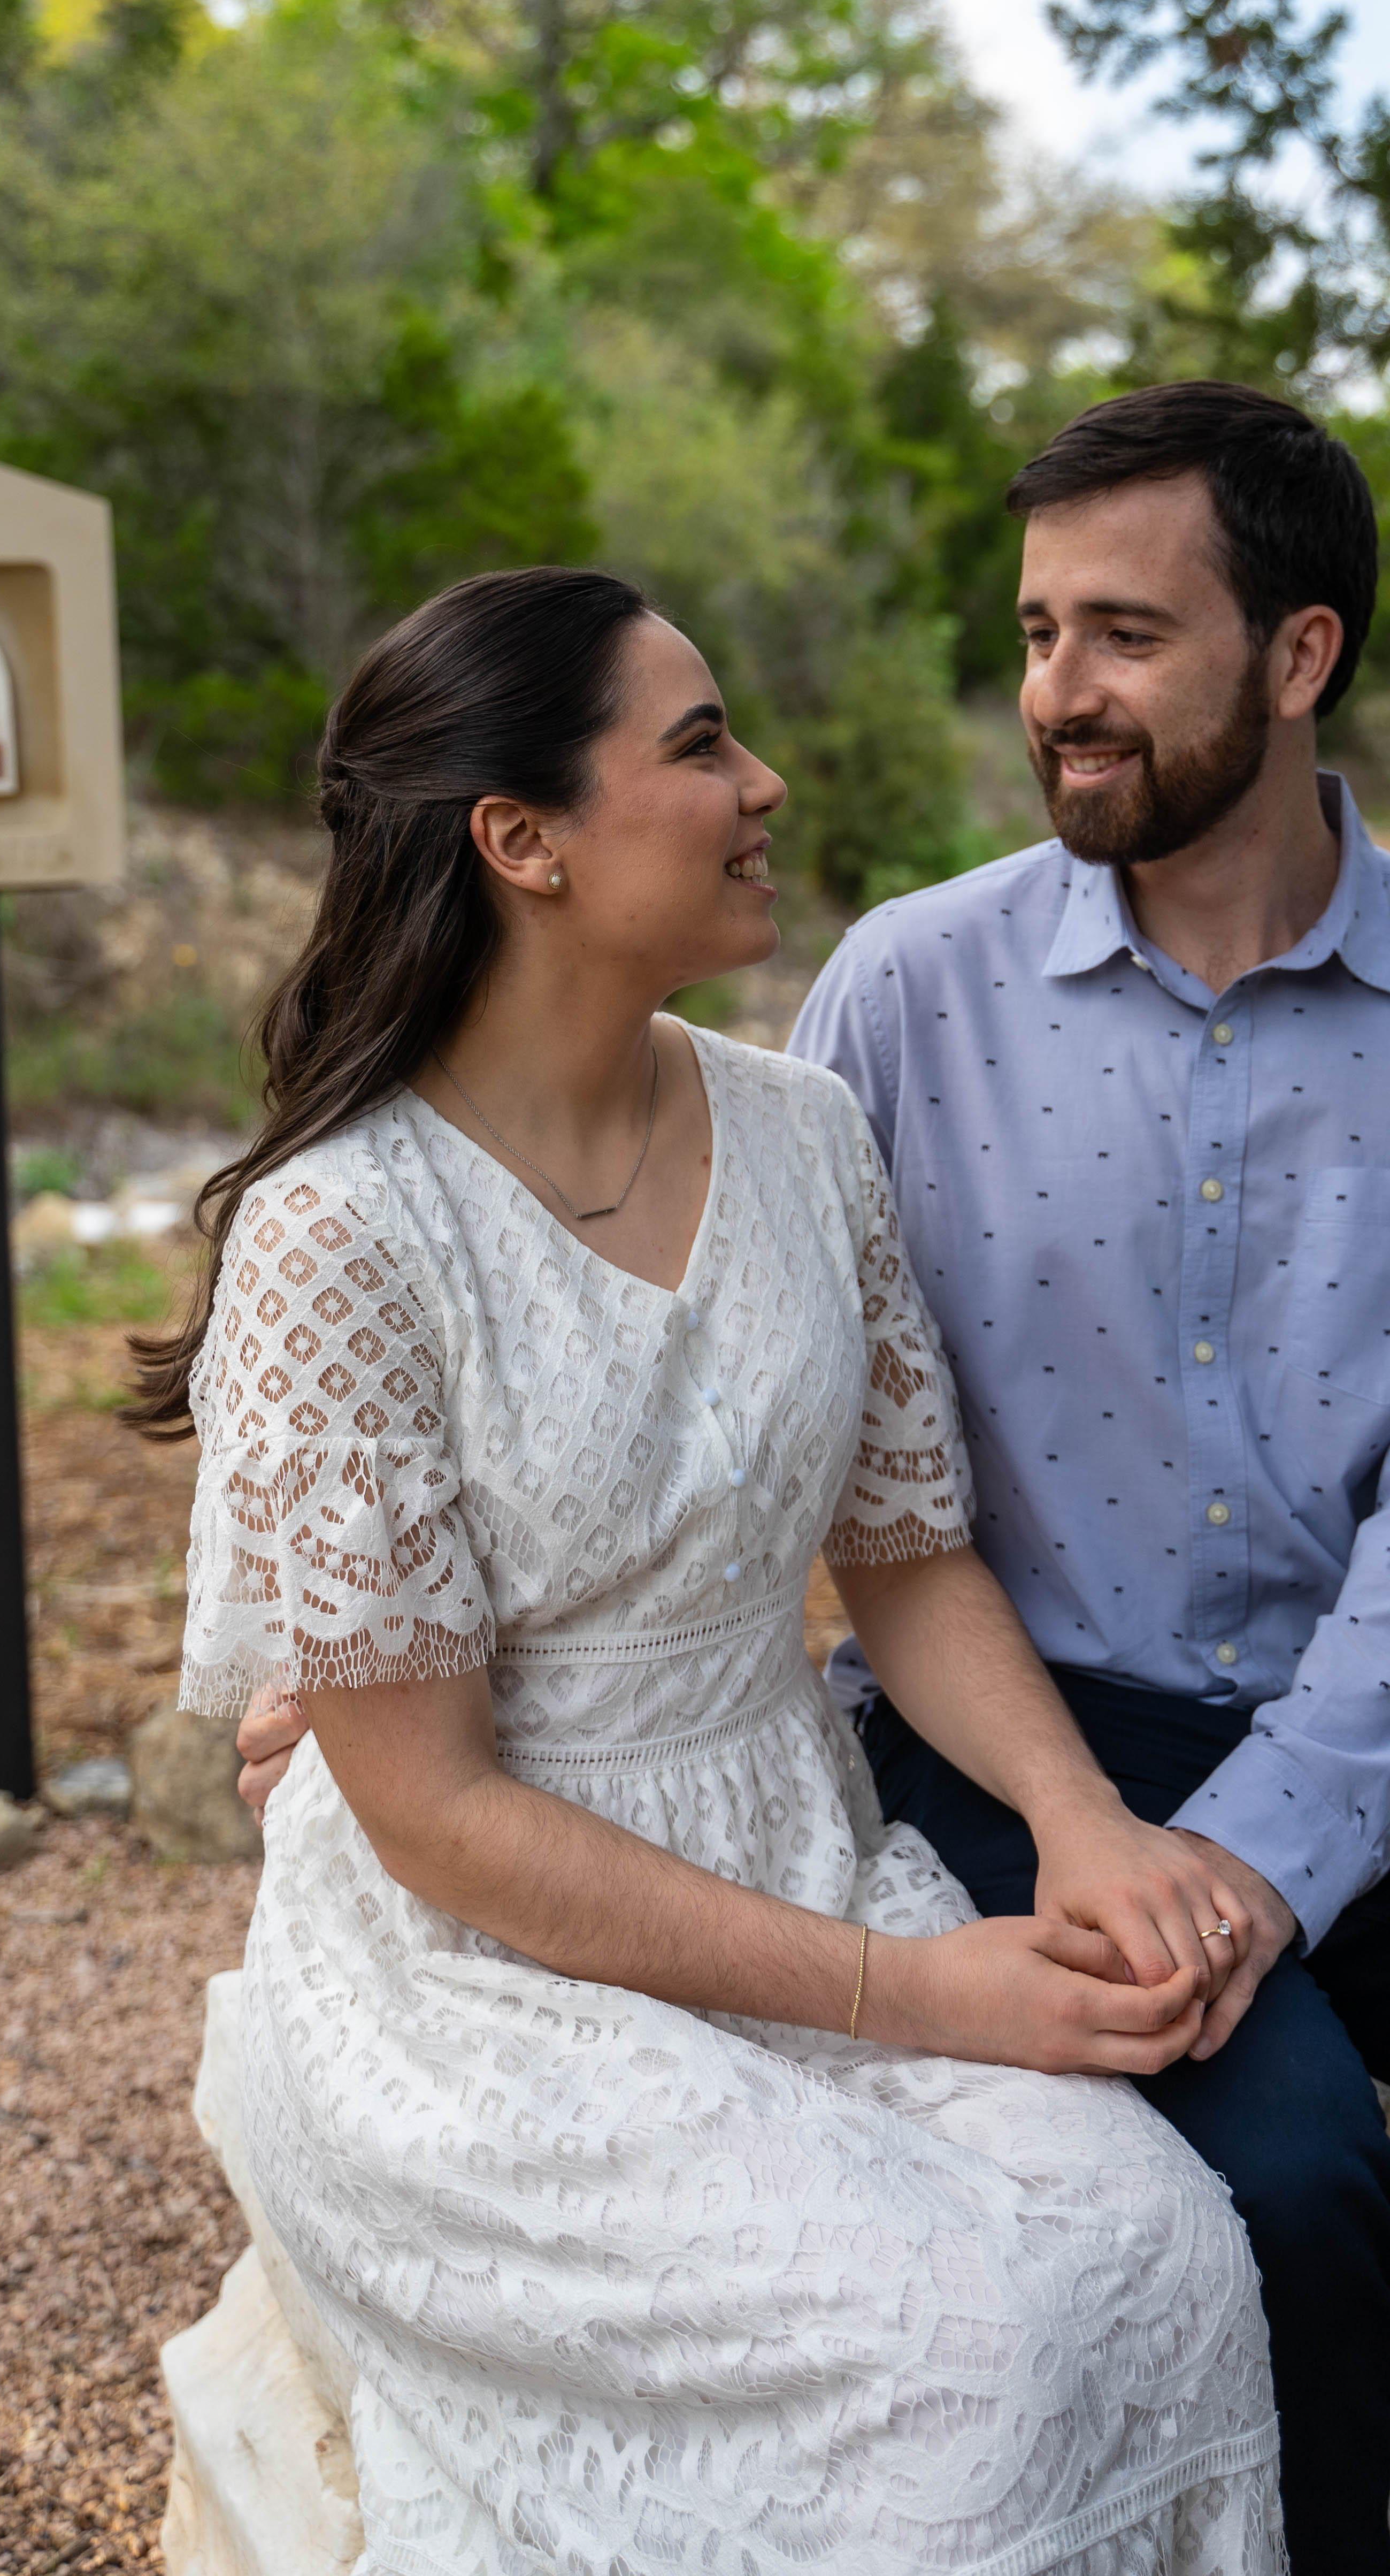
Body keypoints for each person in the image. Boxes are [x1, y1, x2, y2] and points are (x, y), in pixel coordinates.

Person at [241, 393, 1390, 2575]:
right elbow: (716, 1382)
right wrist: (393, 1679)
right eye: (1035, 633)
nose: (1057, 693)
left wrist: (1253, 1868)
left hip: (1383, 1745)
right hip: (1020, 1739)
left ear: (1299, 655)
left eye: (1125, 634)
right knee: (1286, 2192)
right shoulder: (903, 993)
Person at [143, 564, 1285, 2575]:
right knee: (962, 2368)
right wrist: (912, 1994)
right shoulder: (346, 1236)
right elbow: (436, 1814)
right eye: (698, 748)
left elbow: (906, 1562)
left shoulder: (803, 1132)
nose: (764, 784)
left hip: (794, 1840)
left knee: (1169, 2248)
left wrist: (1081, 1824)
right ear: (524, 842)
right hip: (473, 1981)